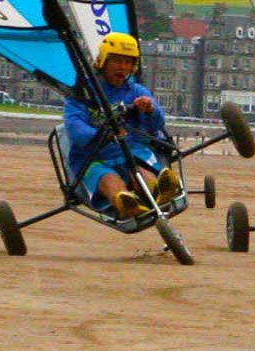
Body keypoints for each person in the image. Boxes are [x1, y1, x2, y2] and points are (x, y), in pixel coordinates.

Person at [63, 32, 176, 218]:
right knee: (109, 179)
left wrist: (149, 110)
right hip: (92, 157)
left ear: (133, 66)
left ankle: (157, 192)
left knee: (140, 171)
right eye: (116, 61)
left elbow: (156, 124)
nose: (122, 67)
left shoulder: (136, 91)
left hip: (131, 152)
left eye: (128, 62)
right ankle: (125, 203)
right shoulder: (82, 94)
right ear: (103, 62)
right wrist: (103, 136)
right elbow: (75, 128)